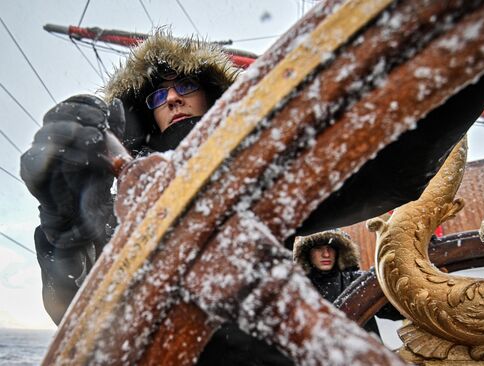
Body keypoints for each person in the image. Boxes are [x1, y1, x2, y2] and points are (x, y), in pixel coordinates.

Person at [21, 31, 293, 365]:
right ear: (147, 116)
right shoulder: (121, 212)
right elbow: (74, 312)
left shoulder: (273, 169)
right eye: (158, 96)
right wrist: (66, 227)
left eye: (187, 85)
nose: (172, 99)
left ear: (213, 95)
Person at [293, 229, 402, 336]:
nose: (326, 254)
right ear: (307, 253)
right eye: (318, 248)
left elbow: (394, 311)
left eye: (331, 248)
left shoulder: (360, 280)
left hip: (365, 350)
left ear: (340, 251)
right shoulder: (297, 288)